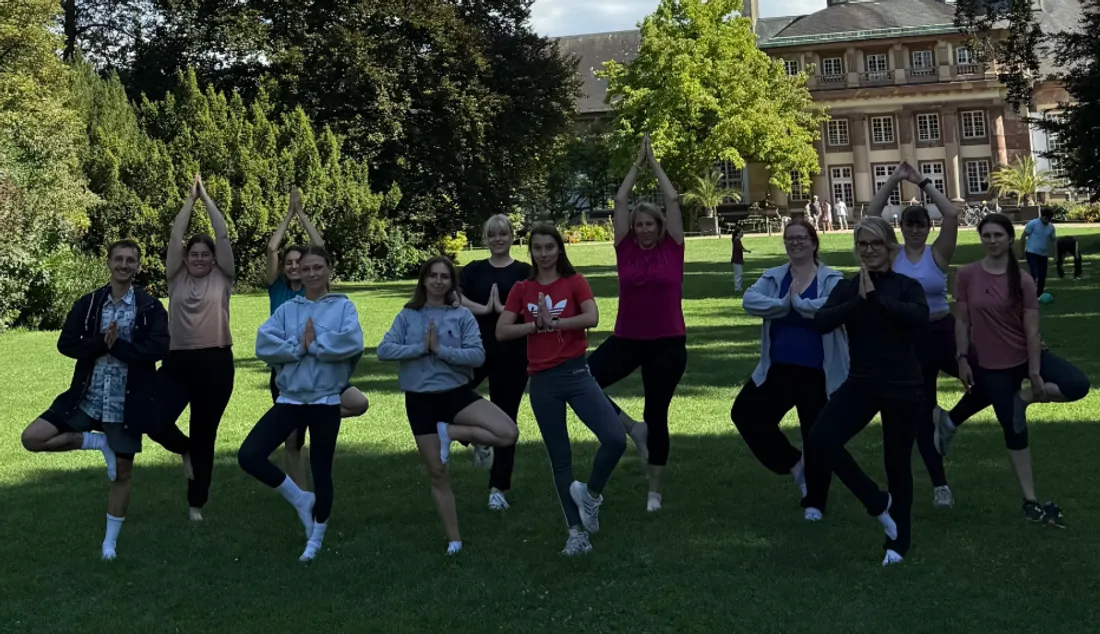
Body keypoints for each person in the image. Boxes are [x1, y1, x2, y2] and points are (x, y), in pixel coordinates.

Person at [934, 214, 1089, 528]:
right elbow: (962, 321)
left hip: (1026, 354)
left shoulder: (1023, 280)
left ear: (1008, 239)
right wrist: (962, 358)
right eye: (986, 236)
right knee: (1014, 429)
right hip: (992, 364)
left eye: (998, 235)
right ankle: (1030, 500)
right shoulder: (966, 275)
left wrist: (1034, 377)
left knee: (1077, 384)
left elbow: (1032, 331)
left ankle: (1007, 402)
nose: (992, 241)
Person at [20, 240, 170, 560]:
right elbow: (66, 344)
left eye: (131, 260)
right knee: (32, 438)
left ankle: (109, 545)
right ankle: (94, 442)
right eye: (119, 259)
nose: (124, 265)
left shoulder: (149, 306)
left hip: (127, 402)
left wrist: (119, 348)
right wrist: (102, 343)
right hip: (86, 396)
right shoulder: (89, 304)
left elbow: (159, 348)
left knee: (122, 474)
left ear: (137, 266)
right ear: (109, 262)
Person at [496, 224, 627, 555]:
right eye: (537, 248)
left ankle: (591, 495)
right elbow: (502, 330)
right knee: (560, 459)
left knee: (614, 438)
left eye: (549, 247)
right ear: (532, 252)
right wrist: (534, 325)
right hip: (543, 382)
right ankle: (576, 534)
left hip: (578, 373)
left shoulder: (574, 282)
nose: (543, 253)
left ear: (559, 249)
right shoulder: (522, 289)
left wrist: (554, 323)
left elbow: (593, 317)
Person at [378, 256, 519, 556]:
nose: (439, 281)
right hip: (419, 400)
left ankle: (450, 432)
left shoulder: (462, 316)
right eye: (433, 276)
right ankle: (454, 540)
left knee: (507, 433)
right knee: (438, 474)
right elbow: (385, 349)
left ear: (452, 283)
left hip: (456, 394)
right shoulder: (408, 315)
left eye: (445, 276)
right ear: (424, 280)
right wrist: (421, 349)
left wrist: (442, 351)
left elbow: (477, 356)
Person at [808, 216, 929, 566]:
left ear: (890, 247)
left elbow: (918, 317)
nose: (870, 250)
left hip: (902, 385)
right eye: (863, 244)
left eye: (876, 243)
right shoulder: (849, 288)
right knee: (820, 441)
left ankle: (898, 540)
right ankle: (876, 502)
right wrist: (859, 302)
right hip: (861, 382)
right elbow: (821, 321)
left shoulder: (905, 285)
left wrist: (875, 299)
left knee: (897, 463)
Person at [238, 246, 363, 562]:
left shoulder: (343, 307)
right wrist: (298, 347)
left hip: (324, 399)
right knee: (249, 454)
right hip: (290, 398)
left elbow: (352, 342)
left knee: (322, 470)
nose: (311, 273)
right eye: (305, 269)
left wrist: (317, 345)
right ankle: (300, 498)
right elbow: (264, 344)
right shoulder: (287, 309)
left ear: (328, 269)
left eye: (317, 267)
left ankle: (315, 538)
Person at [587, 133, 686, 512]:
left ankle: (654, 490)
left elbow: (673, 199)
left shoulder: (673, 249)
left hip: (667, 342)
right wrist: (636, 163)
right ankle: (631, 429)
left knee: (657, 411)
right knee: (583, 378)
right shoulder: (624, 247)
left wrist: (654, 163)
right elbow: (619, 200)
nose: (643, 229)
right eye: (638, 224)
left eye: (649, 224)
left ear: (659, 226)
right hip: (628, 337)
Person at [732, 219, 848, 522]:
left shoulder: (832, 278)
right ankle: (795, 465)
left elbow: (833, 306)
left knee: (816, 436)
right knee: (745, 413)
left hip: (817, 372)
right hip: (778, 369)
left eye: (801, 238)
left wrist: (798, 303)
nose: (795, 243)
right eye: (789, 239)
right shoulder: (774, 277)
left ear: (813, 242)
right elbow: (750, 300)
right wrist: (785, 303)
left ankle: (816, 502)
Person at [865, 162, 962, 509]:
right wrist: (892, 180)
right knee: (920, 415)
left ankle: (950, 420)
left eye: (921, 223)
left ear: (928, 226)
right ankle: (940, 486)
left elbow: (951, 214)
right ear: (901, 227)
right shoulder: (893, 257)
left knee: (986, 380)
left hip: (943, 330)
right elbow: (871, 216)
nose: (917, 229)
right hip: (910, 339)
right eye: (910, 224)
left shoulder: (938, 254)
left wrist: (922, 181)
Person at [265, 186, 368, 489]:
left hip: (324, 369)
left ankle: (315, 414)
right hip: (288, 370)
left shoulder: (322, 291)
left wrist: (303, 214)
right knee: (293, 442)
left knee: (358, 403)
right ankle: (301, 493)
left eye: (302, 262)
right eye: (291, 263)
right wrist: (289, 215)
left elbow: (319, 247)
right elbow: (272, 248)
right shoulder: (278, 288)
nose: (297, 267)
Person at [147, 175, 236, 522]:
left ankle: (195, 504)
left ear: (214, 259)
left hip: (216, 362)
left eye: (205, 254)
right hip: (177, 362)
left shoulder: (223, 276)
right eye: (193, 254)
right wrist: (189, 200)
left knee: (205, 434)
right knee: (152, 418)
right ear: (185, 258)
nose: (199, 259)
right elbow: (174, 235)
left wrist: (208, 199)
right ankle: (182, 447)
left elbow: (223, 233)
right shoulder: (175, 276)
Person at [458, 214, 533, 511]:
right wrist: (484, 308)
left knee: (507, 418)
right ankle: (478, 437)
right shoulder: (474, 270)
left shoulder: (525, 272)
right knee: (450, 393)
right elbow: (452, 295)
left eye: (503, 233)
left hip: (513, 354)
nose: (498, 239)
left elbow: (535, 306)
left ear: (512, 236)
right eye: (492, 234)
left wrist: (505, 311)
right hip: (474, 350)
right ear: (486, 238)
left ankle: (498, 488)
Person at [1021, 209, 1057, 297]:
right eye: (1046, 218)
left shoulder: (1051, 227)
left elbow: (1053, 241)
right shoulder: (1033, 224)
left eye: (1049, 219)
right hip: (1031, 252)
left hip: (1043, 254)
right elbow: (1023, 237)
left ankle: (1039, 294)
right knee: (1034, 272)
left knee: (1042, 275)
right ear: (1042, 216)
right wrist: (1022, 251)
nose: (1047, 221)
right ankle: (1028, 289)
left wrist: (1056, 254)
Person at [731, 227, 750, 292]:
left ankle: (739, 287)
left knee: (739, 274)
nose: (743, 234)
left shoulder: (737, 240)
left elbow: (741, 248)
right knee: (738, 274)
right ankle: (737, 288)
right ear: (738, 233)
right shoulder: (737, 240)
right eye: (741, 232)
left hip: (738, 260)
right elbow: (741, 249)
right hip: (737, 260)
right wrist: (747, 251)